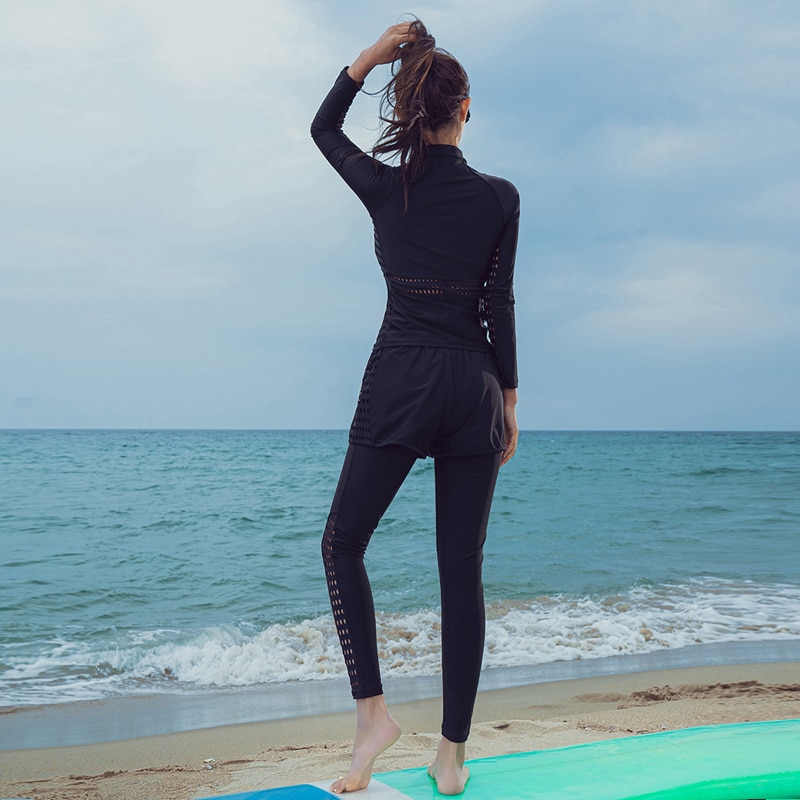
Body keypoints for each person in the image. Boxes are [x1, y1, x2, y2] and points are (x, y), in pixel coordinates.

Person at [311, 19, 520, 795]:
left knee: (342, 544)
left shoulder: (385, 186)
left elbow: (322, 126)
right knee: (459, 571)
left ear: (412, 105)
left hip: (402, 378)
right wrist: (509, 397)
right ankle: (453, 753)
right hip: (472, 386)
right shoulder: (501, 197)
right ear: (465, 108)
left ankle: (373, 716)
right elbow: (498, 302)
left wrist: (369, 57)